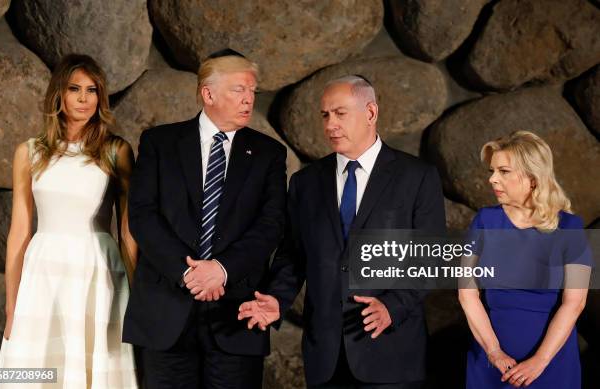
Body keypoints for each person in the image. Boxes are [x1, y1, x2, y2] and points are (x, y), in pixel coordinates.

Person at [238, 75, 445, 388]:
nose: (330, 124)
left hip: (391, 354)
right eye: (325, 115)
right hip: (326, 359)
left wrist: (393, 306)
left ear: (371, 113)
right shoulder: (305, 184)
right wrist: (277, 300)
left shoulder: (417, 177)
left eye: (340, 113)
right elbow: (293, 256)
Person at [122, 50, 287, 388]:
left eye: (253, 91)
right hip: (165, 311)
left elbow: (270, 225)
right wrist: (189, 273)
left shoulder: (269, 153)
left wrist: (220, 270)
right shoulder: (159, 143)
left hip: (236, 315)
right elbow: (142, 216)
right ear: (208, 94)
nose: (249, 99)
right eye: (239, 89)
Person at [0, 54, 138, 387]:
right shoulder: (29, 152)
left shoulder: (116, 151)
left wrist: (135, 292)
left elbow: (128, 230)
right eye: (75, 89)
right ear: (59, 93)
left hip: (97, 271)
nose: (84, 98)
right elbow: (19, 231)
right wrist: (12, 303)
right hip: (42, 270)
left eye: (92, 90)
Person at [459, 131, 592, 388]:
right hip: (489, 361)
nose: (492, 179)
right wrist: (493, 351)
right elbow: (467, 293)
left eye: (503, 171)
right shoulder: (484, 221)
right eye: (492, 171)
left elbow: (575, 303)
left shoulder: (571, 228)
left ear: (533, 177)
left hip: (552, 362)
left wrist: (540, 360)